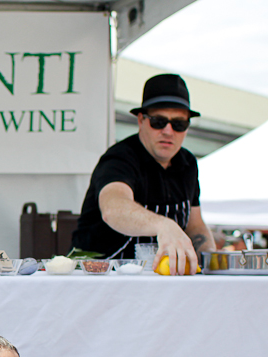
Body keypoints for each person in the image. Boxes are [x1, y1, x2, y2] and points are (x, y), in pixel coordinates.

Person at [72, 73, 216, 275]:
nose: (168, 131)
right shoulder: (119, 158)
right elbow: (113, 208)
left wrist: (213, 263)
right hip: (102, 277)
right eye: (158, 121)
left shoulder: (188, 163)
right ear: (141, 120)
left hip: (164, 278)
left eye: (178, 124)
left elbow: (195, 225)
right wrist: (164, 225)